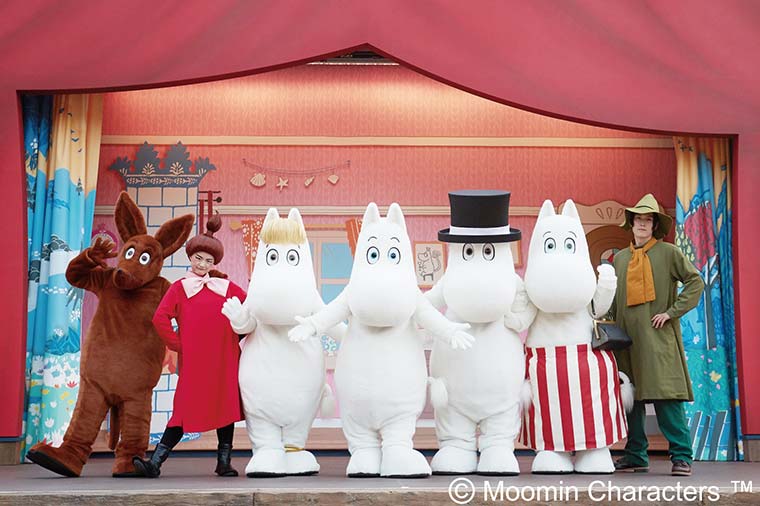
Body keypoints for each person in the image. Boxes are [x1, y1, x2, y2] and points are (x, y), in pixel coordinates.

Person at [133, 215, 247, 478]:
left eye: (208, 260)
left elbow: (249, 309)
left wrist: (239, 335)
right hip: (195, 361)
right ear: (191, 257)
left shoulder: (226, 286)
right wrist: (179, 345)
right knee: (183, 411)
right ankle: (156, 463)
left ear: (214, 263)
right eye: (198, 258)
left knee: (225, 407)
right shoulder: (180, 288)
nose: (202, 264)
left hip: (224, 357)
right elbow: (160, 318)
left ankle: (224, 462)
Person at [611, 194, 704, 477]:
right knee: (632, 399)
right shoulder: (620, 258)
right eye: (638, 219)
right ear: (632, 223)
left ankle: (681, 457)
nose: (642, 224)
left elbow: (695, 281)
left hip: (658, 337)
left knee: (666, 397)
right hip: (628, 340)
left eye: (647, 220)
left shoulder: (669, 253)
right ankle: (636, 454)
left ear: (654, 226)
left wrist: (672, 311)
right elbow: (614, 300)